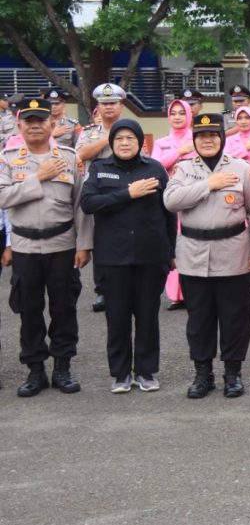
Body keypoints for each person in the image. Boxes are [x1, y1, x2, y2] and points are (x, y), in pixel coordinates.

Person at [163, 113, 250, 399]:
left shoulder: (242, 169)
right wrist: (209, 184)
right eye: (201, 136)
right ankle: (202, 373)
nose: (207, 140)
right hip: (193, 255)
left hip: (234, 251)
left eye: (212, 135)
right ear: (194, 139)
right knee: (199, 320)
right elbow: (171, 201)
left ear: (222, 138)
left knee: (235, 317)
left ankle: (233, 373)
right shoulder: (183, 170)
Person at [0, 98, 92, 396]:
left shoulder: (68, 156)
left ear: (51, 124)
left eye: (41, 120)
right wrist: (37, 178)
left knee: (64, 307)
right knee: (29, 309)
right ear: (19, 125)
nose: (35, 125)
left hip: (62, 245)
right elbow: (2, 197)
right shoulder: (7, 159)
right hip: (26, 246)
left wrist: (84, 245)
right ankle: (35, 369)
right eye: (29, 121)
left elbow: (81, 206)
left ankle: (62, 368)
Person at [80, 119, 176, 393]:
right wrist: (127, 194)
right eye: (119, 138)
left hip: (150, 256)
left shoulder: (155, 169)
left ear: (140, 143)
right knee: (117, 318)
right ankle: (120, 374)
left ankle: (146, 372)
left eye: (130, 138)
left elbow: (168, 212)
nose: (124, 143)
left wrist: (171, 251)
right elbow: (88, 204)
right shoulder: (99, 169)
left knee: (147, 316)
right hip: (113, 258)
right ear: (112, 143)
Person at [77, 83, 126, 314]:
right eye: (105, 103)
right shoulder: (89, 133)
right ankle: (101, 289)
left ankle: (121, 288)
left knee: (121, 239)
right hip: (96, 193)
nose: (109, 107)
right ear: (98, 106)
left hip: (123, 192)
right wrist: (109, 138)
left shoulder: (130, 131)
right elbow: (83, 154)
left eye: (113, 103)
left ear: (120, 106)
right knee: (98, 243)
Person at [152, 99, 197, 312]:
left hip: (192, 198)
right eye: (173, 113)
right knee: (172, 243)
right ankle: (175, 294)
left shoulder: (197, 139)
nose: (177, 117)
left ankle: (191, 290)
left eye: (182, 113)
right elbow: (156, 166)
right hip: (168, 199)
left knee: (190, 243)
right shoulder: (162, 142)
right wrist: (180, 151)